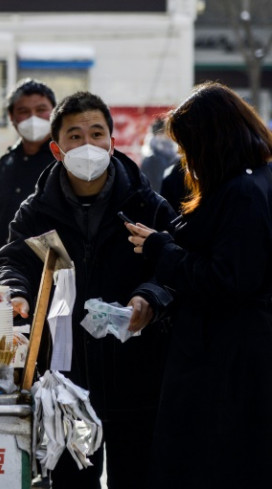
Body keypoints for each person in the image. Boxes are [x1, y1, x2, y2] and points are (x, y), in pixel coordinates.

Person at [0, 91, 176, 489]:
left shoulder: (147, 205)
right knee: (74, 481)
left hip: (137, 376)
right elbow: (12, 261)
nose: (88, 145)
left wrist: (149, 297)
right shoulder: (37, 211)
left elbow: (174, 268)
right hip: (67, 383)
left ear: (113, 142)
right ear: (57, 150)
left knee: (139, 477)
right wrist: (16, 291)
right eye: (75, 137)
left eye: (97, 133)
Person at [124, 82, 272, 489]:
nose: (186, 158)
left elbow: (228, 280)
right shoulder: (253, 180)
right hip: (233, 355)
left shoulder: (243, 192)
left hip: (228, 363)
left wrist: (161, 249)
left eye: (188, 146)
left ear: (211, 140)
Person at [0, 78, 57, 296]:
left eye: (41, 110)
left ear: (54, 113)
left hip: (48, 280)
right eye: (24, 111)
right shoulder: (6, 163)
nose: (33, 118)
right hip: (4, 276)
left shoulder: (62, 162)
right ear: (12, 117)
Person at [139, 117, 180, 191]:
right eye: (165, 132)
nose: (168, 136)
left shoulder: (175, 157)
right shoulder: (150, 160)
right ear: (157, 134)